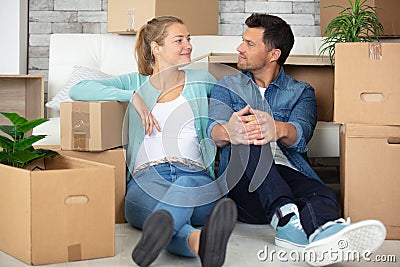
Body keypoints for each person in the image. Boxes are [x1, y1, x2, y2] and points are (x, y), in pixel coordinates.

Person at [207, 13, 386, 266]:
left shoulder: (301, 91)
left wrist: (277, 128)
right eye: (242, 41)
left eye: (249, 44)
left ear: (273, 54)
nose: (239, 48)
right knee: (249, 135)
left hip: (285, 174)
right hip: (244, 189)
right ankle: (285, 216)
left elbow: (302, 132)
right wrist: (230, 131)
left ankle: (324, 234)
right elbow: (213, 130)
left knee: (321, 193)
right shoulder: (227, 86)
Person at [69, 16, 237, 267]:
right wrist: (132, 97)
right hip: (147, 180)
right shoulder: (134, 82)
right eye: (179, 40)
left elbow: (231, 102)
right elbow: (78, 89)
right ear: (156, 48)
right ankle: (198, 242)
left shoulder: (202, 81)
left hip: (196, 177)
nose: (188, 45)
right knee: (164, 211)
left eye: (189, 39)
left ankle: (156, 237)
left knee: (183, 188)